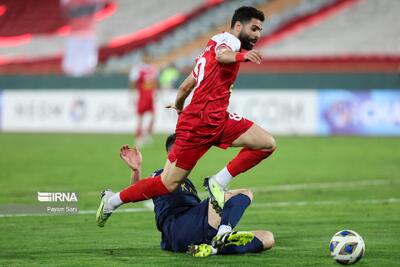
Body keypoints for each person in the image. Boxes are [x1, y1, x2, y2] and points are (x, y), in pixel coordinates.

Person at [97, 6, 276, 235]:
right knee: (167, 183)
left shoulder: (205, 53)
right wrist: (242, 56)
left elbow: (184, 86)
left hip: (216, 117)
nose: (257, 35)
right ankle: (112, 202)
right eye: (254, 28)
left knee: (267, 143)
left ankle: (218, 182)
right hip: (201, 122)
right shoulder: (227, 41)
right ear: (238, 26)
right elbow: (223, 55)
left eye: (260, 30)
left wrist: (180, 108)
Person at [100, 134, 274, 257]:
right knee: (244, 193)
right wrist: (136, 170)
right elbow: (137, 191)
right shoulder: (161, 176)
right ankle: (223, 233)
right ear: (172, 154)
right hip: (180, 225)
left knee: (267, 238)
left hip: (190, 236)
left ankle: (213, 248)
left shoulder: (185, 180)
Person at [129, 55, 159, 146]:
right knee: (141, 117)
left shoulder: (153, 69)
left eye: (148, 57)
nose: (148, 59)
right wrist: (132, 93)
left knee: (153, 116)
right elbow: (133, 82)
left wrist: (157, 92)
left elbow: (155, 82)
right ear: (143, 58)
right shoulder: (138, 69)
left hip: (150, 96)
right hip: (142, 96)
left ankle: (147, 135)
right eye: (146, 57)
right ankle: (138, 137)